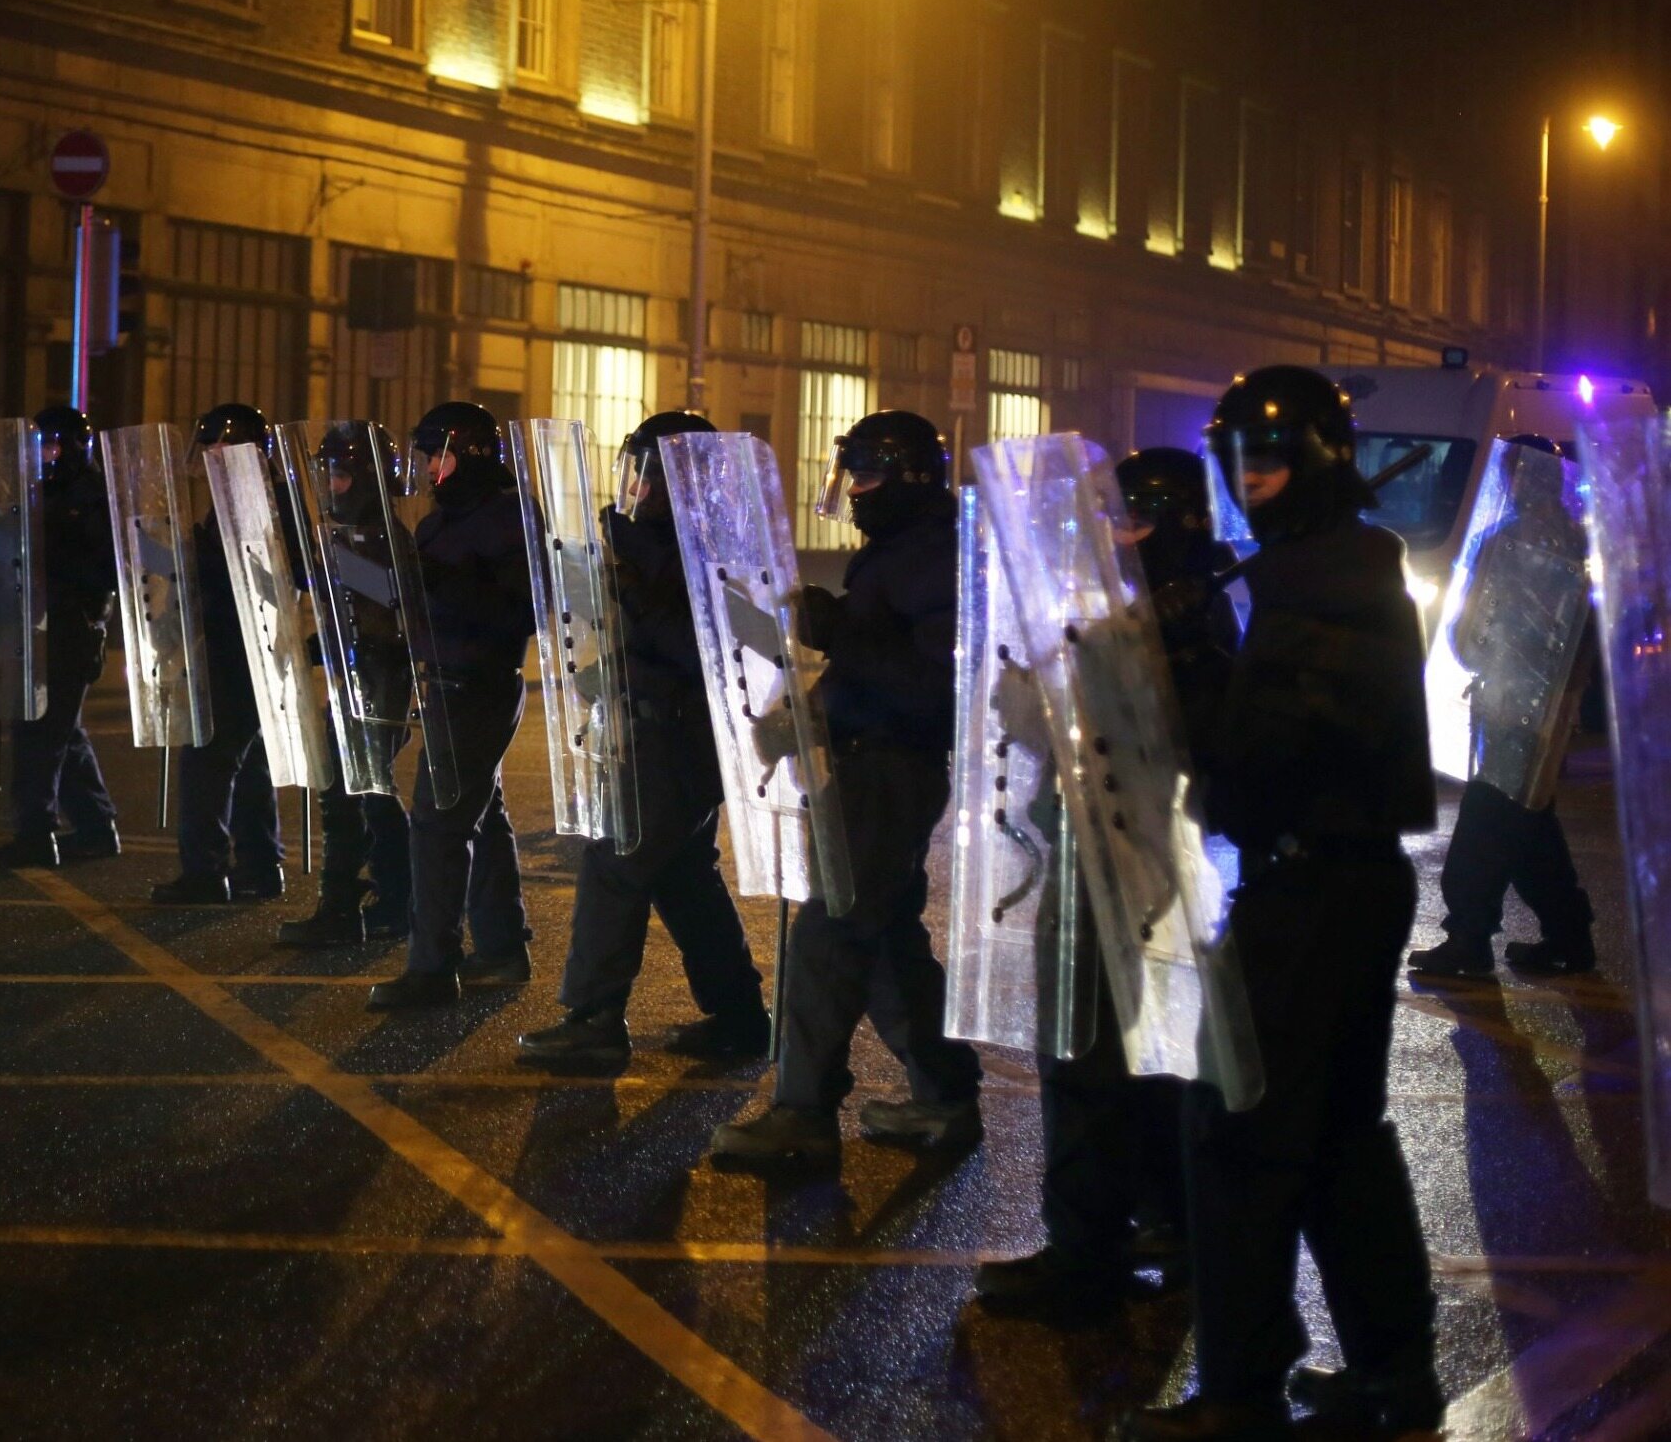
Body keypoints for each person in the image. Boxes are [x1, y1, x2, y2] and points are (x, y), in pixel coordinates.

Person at [1124, 367, 1440, 1442]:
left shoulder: (1324, 581)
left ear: (1314, 459)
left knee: (1242, 1131)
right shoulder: (1325, 567)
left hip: (1311, 885)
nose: (1251, 480)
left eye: (1268, 458)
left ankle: (1242, 1392)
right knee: (1340, 1137)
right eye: (1239, 461)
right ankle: (1393, 1370)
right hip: (1336, 880)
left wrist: (1184, 675)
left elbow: (1268, 747)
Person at [972, 446, 1235, 1328]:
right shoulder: (1151, 610)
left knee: (1083, 1051)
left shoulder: (1185, 621)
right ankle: (1176, 1223)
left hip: (1125, 860)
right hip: (1118, 853)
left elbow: (1134, 737)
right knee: (1137, 1055)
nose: (1113, 534)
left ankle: (1087, 1252)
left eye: (1132, 516)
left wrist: (1058, 683)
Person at [710, 410, 983, 1170]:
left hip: (892, 769)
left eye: (867, 474)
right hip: (868, 763)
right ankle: (943, 1094)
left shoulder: (932, 557)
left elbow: (937, 684)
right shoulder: (898, 551)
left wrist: (842, 635)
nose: (854, 491)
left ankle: (802, 1112)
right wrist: (797, 718)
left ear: (910, 475)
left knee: (829, 933)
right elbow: (871, 666)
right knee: (888, 938)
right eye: (850, 475)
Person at [515, 410, 770, 1068]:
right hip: (654, 732)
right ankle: (740, 1014)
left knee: (615, 860)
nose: (637, 487)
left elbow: (705, 650)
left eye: (648, 473)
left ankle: (594, 1017)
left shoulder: (718, 547)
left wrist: (636, 590)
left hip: (679, 737)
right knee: (684, 877)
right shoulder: (656, 543)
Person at [367, 401, 534, 1009]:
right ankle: (501, 945)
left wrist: (439, 579)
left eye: (436, 455)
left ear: (467, 455)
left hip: (483, 682)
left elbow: (520, 612)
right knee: (479, 818)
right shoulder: (437, 523)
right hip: (441, 679)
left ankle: (433, 967)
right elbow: (417, 603)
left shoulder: (510, 517)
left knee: (438, 826)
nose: (428, 468)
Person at [1409, 435, 1595, 981]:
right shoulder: (1580, 541)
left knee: (1486, 826)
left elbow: (1474, 633)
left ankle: (1469, 937)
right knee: (1527, 826)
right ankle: (1569, 936)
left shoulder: (1511, 541)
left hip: (1515, 705)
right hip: (1544, 710)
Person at [278, 421, 413, 946]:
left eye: (339, 476)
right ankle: (393, 898)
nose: (331, 486)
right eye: (326, 475)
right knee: (366, 794)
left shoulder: (381, 537)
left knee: (352, 792)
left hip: (377, 685)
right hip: (356, 678)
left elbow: (384, 619)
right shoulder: (350, 534)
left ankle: (346, 906)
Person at [153, 403, 289, 904]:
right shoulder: (234, 496)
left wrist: (193, 563)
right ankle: (260, 863)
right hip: (237, 648)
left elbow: (259, 575)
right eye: (207, 446)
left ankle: (205, 871)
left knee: (207, 759)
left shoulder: (262, 502)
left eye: (221, 446)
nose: (212, 455)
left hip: (246, 649)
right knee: (247, 761)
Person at [0, 406, 122, 870]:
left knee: (39, 733)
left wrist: (52, 550)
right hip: (38, 624)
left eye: (49, 445)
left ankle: (35, 834)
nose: (41, 454)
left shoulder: (91, 495)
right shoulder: (41, 491)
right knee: (62, 731)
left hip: (70, 628)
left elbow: (103, 569)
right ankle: (97, 827)